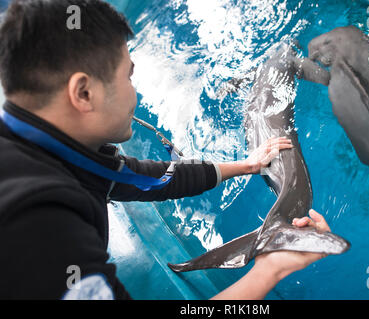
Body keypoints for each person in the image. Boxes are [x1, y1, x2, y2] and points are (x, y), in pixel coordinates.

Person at [0, 0, 330, 300]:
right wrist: (270, 270)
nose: (134, 94)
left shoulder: (54, 147)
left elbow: (151, 179)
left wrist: (246, 165)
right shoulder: (43, 227)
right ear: (83, 93)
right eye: (129, 77)